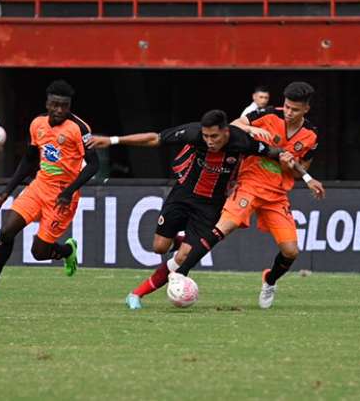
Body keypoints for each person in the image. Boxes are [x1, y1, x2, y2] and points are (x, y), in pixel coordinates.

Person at [87, 109, 322, 309]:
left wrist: (308, 177)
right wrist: (113, 140)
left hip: (209, 206)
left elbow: (277, 153)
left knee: (183, 257)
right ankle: (183, 241)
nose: (210, 141)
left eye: (215, 137)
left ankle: (136, 294)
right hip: (183, 194)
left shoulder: (241, 141)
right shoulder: (193, 133)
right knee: (160, 247)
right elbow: (155, 139)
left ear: (226, 132)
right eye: (206, 136)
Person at [173, 81, 324, 309]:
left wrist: (292, 169)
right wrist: (251, 128)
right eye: (287, 106)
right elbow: (233, 125)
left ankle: (269, 280)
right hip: (250, 183)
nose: (289, 112)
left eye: (294, 109)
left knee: (291, 251)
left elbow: (297, 170)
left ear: (306, 109)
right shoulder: (268, 113)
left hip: (276, 194)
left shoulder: (311, 136)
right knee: (224, 226)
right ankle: (181, 273)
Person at [0, 80, 99, 305]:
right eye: (55, 104)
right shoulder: (37, 124)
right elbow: (29, 160)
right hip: (38, 187)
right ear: (47, 103)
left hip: (61, 196)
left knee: (39, 252)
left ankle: (67, 250)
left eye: (64, 106)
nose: (59, 110)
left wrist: (69, 191)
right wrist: (7, 190)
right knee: (7, 231)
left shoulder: (80, 129)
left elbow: (94, 165)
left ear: (69, 106)